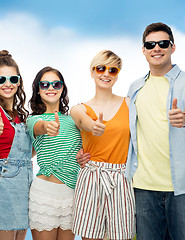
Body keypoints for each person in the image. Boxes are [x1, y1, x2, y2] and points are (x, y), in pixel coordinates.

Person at [126, 22, 185, 240]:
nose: (156, 48)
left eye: (163, 43)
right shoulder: (134, 88)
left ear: (173, 47)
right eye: (150, 44)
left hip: (184, 187)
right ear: (143, 50)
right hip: (143, 187)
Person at [70, 50, 135, 240]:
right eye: (100, 68)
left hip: (121, 178)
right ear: (92, 72)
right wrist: (93, 126)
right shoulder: (79, 108)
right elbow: (82, 122)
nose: (106, 73)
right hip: (92, 177)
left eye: (113, 70)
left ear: (117, 75)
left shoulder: (130, 104)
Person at [27, 66, 82, 240]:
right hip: (45, 194)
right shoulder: (33, 120)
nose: (51, 88)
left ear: (62, 88)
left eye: (56, 84)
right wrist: (47, 127)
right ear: (38, 90)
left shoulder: (75, 120)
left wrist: (82, 157)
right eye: (44, 84)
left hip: (72, 194)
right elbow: (40, 127)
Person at [0, 50, 33, 240]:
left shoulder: (21, 116)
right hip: (5, 183)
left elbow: (28, 153)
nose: (7, 84)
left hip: (25, 183)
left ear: (19, 81)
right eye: (1, 79)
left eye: (13, 79)